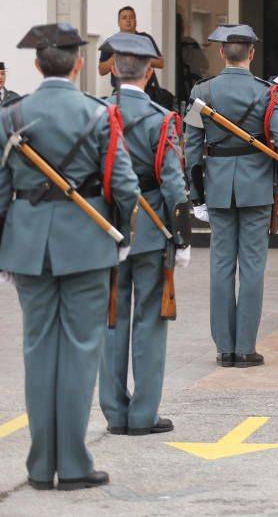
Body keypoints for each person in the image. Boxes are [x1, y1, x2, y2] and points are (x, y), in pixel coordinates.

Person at [0, 23, 139, 490]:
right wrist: (123, 233)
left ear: (36, 65)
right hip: (87, 240)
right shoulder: (98, 112)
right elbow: (122, 184)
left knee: (38, 351)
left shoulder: (11, 115)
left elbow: (1, 192)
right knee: (81, 353)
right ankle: (75, 464)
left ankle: (40, 467)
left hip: (29, 245)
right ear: (79, 64)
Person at [97, 33, 193, 436]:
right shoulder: (161, 118)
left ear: (114, 68)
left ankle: (115, 413)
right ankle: (143, 415)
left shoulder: (96, 113)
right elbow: (173, 184)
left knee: (112, 320)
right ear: (150, 69)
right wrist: (182, 236)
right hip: (152, 230)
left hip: (107, 229)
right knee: (151, 320)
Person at [184, 24, 278, 368]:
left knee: (220, 267)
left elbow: (191, 149)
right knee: (251, 268)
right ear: (252, 53)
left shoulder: (203, 91)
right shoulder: (265, 92)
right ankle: (245, 347)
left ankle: (224, 349)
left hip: (217, 186)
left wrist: (197, 194)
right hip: (257, 187)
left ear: (220, 54)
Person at [97, 6, 165, 93]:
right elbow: (101, 71)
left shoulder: (145, 39)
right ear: (118, 22)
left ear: (136, 21)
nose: (128, 20)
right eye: (124, 18)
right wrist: (115, 57)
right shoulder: (112, 41)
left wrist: (141, 56)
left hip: (146, 90)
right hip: (120, 90)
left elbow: (161, 63)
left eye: (131, 17)